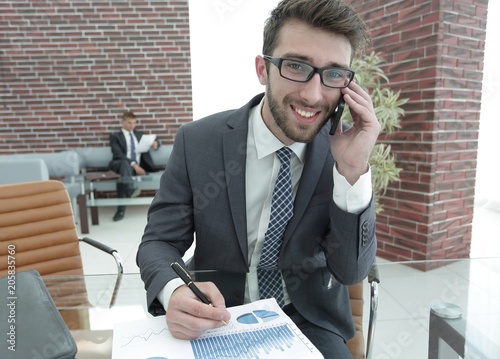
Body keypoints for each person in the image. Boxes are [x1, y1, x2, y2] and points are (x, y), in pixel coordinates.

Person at [137, 0, 380, 357]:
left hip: (307, 319)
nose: (314, 95)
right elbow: (158, 241)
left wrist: (352, 171)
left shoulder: (342, 152)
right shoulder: (198, 142)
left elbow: (350, 271)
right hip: (216, 312)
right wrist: (173, 290)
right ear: (263, 69)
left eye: (332, 74)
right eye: (296, 66)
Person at [108, 110, 159, 221]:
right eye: (129, 123)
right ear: (123, 122)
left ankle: (121, 209)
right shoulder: (115, 136)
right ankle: (129, 191)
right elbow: (118, 154)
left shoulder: (139, 135)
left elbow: (156, 142)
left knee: (124, 175)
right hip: (120, 165)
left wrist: (155, 144)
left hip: (140, 167)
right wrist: (134, 165)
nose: (132, 125)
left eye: (134, 123)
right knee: (124, 165)